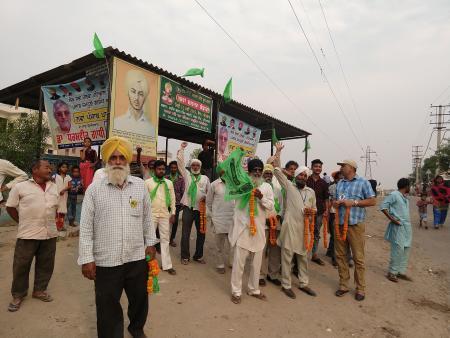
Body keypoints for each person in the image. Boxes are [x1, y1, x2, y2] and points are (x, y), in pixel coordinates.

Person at [78, 136, 158, 338]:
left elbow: (148, 217)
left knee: (139, 299)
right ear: (106, 161)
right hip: (106, 260)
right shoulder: (94, 190)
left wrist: (150, 243)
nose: (117, 162)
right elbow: (86, 227)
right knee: (107, 305)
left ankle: (136, 328)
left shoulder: (139, 185)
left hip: (136, 257)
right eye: (112, 158)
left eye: (121, 157)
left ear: (128, 160)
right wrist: (87, 258)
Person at [6, 159, 59, 312]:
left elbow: (54, 208)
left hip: (49, 233)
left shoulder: (54, 186)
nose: (50, 170)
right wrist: (21, 221)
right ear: (35, 170)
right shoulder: (20, 187)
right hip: (28, 234)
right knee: (21, 266)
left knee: (46, 264)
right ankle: (18, 294)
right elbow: (10, 207)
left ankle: (39, 290)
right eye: (47, 167)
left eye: (50, 168)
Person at [268, 143, 317, 299]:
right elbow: (276, 169)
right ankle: (286, 285)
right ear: (295, 176)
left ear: (307, 178)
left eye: (304, 175)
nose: (302, 177)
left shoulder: (311, 192)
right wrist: (278, 152)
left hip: (304, 229)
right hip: (289, 227)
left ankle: (304, 283)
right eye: (300, 175)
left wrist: (312, 211)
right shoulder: (289, 186)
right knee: (287, 257)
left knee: (303, 258)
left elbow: (315, 209)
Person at [226, 159, 274, 304]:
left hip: (259, 229)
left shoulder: (267, 187)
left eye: (260, 169)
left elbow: (271, 206)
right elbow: (234, 201)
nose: (258, 172)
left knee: (256, 263)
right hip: (243, 228)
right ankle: (236, 291)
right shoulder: (242, 185)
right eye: (255, 169)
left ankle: (254, 289)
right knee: (239, 262)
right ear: (249, 171)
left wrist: (261, 197)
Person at [333, 159, 376, 302]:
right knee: (340, 256)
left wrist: (355, 202)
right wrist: (336, 203)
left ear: (351, 168)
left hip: (355, 225)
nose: (341, 168)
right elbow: (335, 200)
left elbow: (372, 201)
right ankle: (343, 284)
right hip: (339, 223)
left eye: (343, 166)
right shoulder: (340, 183)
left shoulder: (363, 182)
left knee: (358, 258)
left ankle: (360, 288)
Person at [177, 142, 210, 265]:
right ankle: (185, 256)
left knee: (201, 233)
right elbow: (180, 163)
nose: (195, 167)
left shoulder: (205, 179)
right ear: (191, 166)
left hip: (201, 210)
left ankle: (198, 256)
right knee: (185, 233)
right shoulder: (187, 175)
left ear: (200, 167)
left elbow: (209, 193)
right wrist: (181, 149)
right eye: (193, 165)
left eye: (197, 165)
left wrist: (205, 198)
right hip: (188, 208)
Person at [144, 160, 176, 275]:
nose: (161, 171)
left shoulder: (169, 183)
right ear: (154, 170)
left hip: (164, 214)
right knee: (149, 240)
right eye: (159, 169)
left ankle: (167, 265)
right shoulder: (147, 182)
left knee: (165, 239)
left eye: (163, 169)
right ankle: (147, 264)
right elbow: (144, 200)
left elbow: (172, 199)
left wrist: (173, 213)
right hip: (151, 214)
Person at [380, 178, 413, 283]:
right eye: (409, 186)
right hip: (398, 226)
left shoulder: (405, 197)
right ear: (406, 186)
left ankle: (400, 272)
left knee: (406, 249)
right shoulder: (394, 194)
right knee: (398, 249)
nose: (410, 188)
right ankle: (392, 272)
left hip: (407, 227)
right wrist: (392, 219)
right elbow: (383, 207)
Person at [206, 169, 235, 274]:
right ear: (220, 172)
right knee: (219, 245)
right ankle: (220, 264)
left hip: (232, 219)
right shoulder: (214, 184)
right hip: (219, 219)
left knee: (233, 244)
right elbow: (208, 202)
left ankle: (232, 262)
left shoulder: (235, 184)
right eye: (223, 171)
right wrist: (213, 216)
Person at [259, 164, 283, 286]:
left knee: (275, 250)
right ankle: (260, 275)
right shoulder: (260, 187)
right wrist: (266, 219)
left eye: (270, 173)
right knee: (261, 250)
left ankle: (272, 275)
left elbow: (282, 205)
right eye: (266, 173)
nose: (268, 175)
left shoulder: (278, 189)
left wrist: (277, 217)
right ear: (263, 174)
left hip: (276, 223)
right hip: (263, 224)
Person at [113, 69, 155, 137]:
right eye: (133, 92)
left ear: (145, 97)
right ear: (127, 92)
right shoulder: (117, 123)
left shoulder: (151, 130)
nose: (136, 98)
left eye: (141, 94)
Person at [306, 159, 330, 266]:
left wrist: (326, 211)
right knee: (304, 232)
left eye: (319, 167)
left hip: (319, 212)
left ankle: (314, 254)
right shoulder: (306, 179)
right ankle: (301, 254)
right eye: (315, 166)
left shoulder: (324, 183)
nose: (318, 168)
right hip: (306, 212)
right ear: (311, 167)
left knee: (316, 233)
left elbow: (326, 199)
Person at [166, 161, 185, 247]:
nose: (173, 169)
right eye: (172, 167)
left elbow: (183, 191)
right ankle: (164, 239)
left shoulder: (181, 179)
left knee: (175, 222)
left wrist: (181, 203)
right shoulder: (166, 178)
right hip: (166, 203)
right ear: (169, 168)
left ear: (177, 169)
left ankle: (171, 239)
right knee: (165, 221)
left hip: (176, 203)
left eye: (175, 167)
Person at [54, 162, 72, 232]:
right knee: (56, 211)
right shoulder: (55, 176)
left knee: (62, 211)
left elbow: (70, 186)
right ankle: (56, 226)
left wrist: (64, 190)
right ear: (59, 168)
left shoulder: (68, 177)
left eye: (66, 167)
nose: (65, 168)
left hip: (64, 196)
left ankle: (61, 226)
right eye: (63, 167)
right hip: (56, 196)